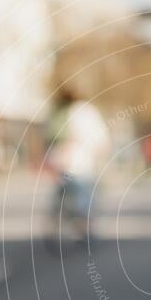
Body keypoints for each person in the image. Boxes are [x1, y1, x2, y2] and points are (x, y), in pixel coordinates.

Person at [44, 87, 110, 240]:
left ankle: (58, 219)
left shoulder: (58, 111)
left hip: (58, 160)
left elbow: (48, 136)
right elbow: (101, 139)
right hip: (80, 162)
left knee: (63, 192)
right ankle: (85, 229)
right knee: (85, 197)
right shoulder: (86, 111)